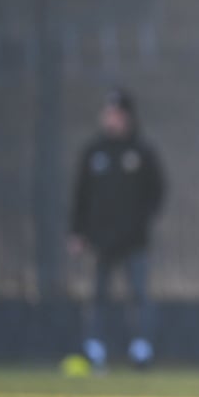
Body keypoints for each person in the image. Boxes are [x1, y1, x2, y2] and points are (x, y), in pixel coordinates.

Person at [68, 88, 165, 371]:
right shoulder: (93, 152)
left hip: (135, 241)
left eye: (117, 115)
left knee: (139, 295)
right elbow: (80, 195)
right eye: (108, 114)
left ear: (128, 117)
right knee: (98, 296)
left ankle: (141, 349)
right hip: (100, 241)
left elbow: (157, 191)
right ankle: (94, 349)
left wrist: (140, 221)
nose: (112, 120)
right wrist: (78, 232)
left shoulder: (142, 151)